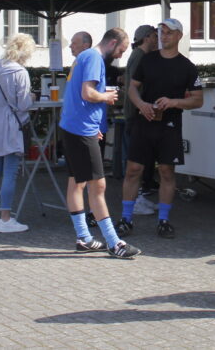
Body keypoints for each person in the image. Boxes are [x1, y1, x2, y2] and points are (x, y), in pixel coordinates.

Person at [59, 28, 140, 258]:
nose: (121, 55)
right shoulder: (94, 57)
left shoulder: (84, 56)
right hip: (81, 130)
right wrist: (107, 97)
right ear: (113, 42)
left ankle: (84, 237)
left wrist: (95, 126)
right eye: (121, 50)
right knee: (98, 186)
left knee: (77, 183)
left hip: (74, 127)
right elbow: (88, 93)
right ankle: (114, 243)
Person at [121, 19, 203, 239]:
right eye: (160, 32)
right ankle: (125, 219)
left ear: (179, 36)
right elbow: (132, 88)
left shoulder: (187, 66)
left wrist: (174, 102)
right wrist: (141, 105)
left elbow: (198, 100)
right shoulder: (147, 60)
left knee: (166, 172)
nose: (163, 36)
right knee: (133, 170)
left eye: (168, 32)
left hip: (170, 126)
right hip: (144, 122)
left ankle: (164, 221)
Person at [0, 33, 36, 234]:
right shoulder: (20, 72)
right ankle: (5, 218)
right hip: (11, 127)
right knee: (10, 172)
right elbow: (23, 104)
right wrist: (32, 97)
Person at [120, 25, 158, 201]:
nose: (158, 39)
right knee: (137, 159)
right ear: (147, 37)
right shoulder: (139, 56)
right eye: (155, 36)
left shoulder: (142, 56)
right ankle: (138, 197)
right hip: (136, 114)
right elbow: (134, 87)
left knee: (143, 156)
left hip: (139, 113)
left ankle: (144, 190)